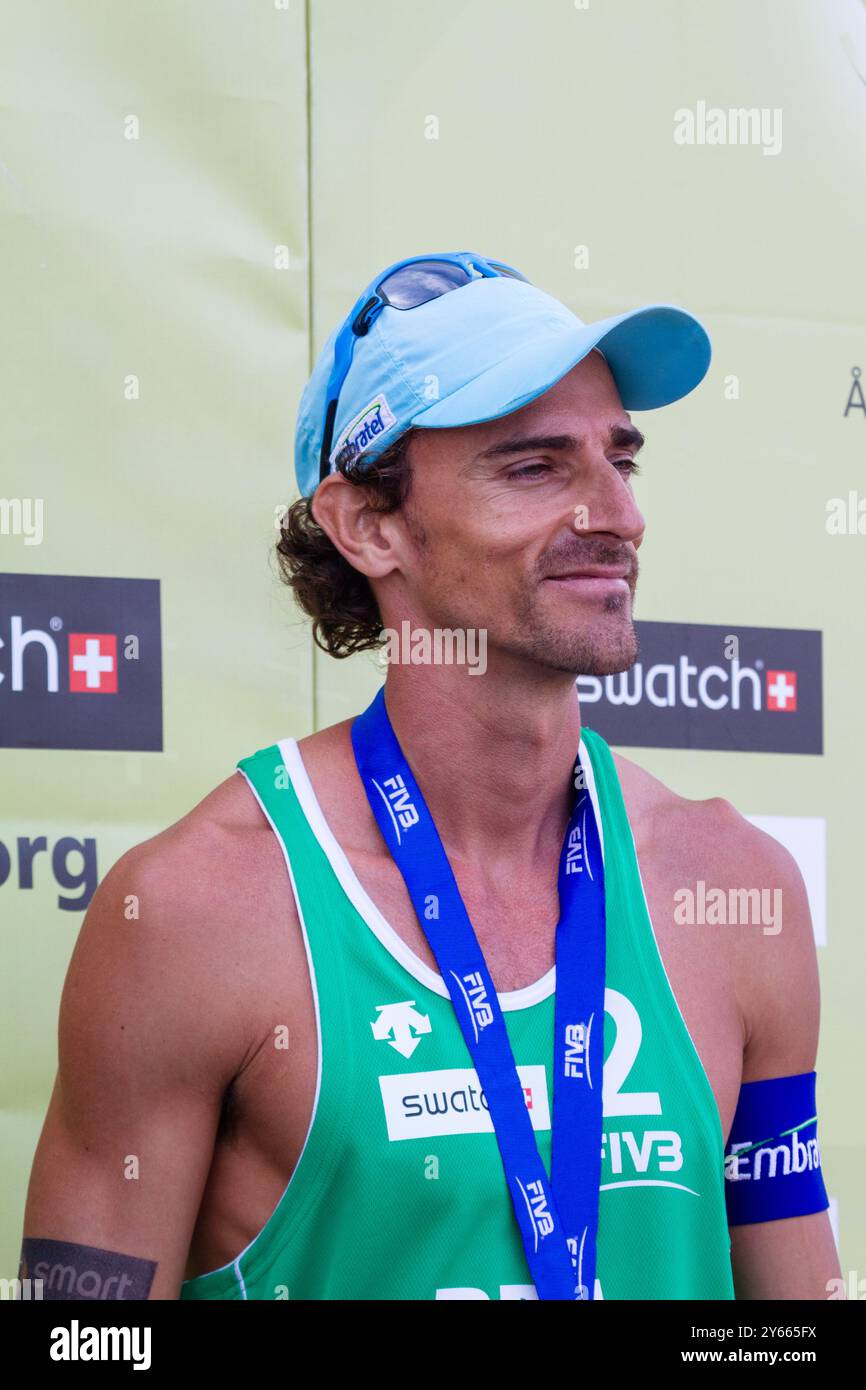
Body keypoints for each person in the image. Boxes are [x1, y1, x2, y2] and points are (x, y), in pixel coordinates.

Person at [20, 252, 839, 1300]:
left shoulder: (734, 886)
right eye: (535, 467)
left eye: (619, 461)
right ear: (368, 526)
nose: (615, 516)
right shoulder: (194, 910)